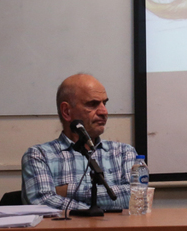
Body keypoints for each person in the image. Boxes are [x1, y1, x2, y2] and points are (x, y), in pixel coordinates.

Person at [21, 74, 137, 210]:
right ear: (67, 112)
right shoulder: (39, 155)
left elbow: (136, 197)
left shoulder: (124, 153)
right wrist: (92, 211)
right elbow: (42, 201)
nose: (104, 112)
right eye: (92, 104)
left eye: (104, 103)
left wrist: (67, 191)